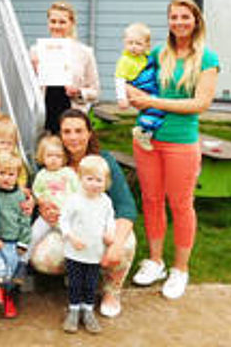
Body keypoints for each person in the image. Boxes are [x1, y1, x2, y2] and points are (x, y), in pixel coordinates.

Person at [128, 0, 219, 300]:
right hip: (147, 139)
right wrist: (130, 92)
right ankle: (156, 262)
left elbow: (200, 104)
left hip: (181, 141)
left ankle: (180, 269)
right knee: (152, 200)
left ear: (196, 21)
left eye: (185, 17)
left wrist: (154, 102)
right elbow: (136, 83)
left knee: (180, 204)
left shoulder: (207, 58)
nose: (179, 22)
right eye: (174, 17)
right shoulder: (158, 53)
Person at [29, 109, 137, 319]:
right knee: (42, 257)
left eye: (79, 131)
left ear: (89, 133)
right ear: (60, 135)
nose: (73, 137)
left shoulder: (103, 161)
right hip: (67, 231)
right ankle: (77, 274)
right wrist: (41, 206)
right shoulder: (52, 161)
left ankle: (111, 291)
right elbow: (35, 193)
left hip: (98, 229)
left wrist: (115, 245)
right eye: (67, 131)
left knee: (125, 242)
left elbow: (126, 207)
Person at [60, 155, 115, 334]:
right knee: (75, 282)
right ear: (81, 179)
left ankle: (88, 310)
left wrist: (110, 232)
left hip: (95, 252)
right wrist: (71, 237)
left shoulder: (105, 201)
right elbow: (64, 220)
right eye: (89, 179)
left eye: (99, 180)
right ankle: (74, 310)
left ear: (105, 182)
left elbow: (110, 219)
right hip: (75, 251)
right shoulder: (74, 200)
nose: (94, 184)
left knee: (91, 283)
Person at [30, 1, 100, 134]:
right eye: (53, 21)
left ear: (72, 23)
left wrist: (78, 92)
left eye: (62, 22)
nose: (57, 26)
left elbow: (95, 92)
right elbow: (26, 90)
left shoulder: (84, 52)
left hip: (72, 119)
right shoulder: (36, 51)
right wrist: (33, 70)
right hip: (44, 117)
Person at [0, 153, 32, 319]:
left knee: (10, 272)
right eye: (2, 173)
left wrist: (23, 241)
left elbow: (25, 220)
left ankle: (9, 299)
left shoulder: (20, 196)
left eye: (11, 174)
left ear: (17, 176)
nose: (6, 178)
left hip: (14, 241)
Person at [28, 133, 80, 261]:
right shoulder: (42, 175)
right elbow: (36, 191)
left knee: (71, 240)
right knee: (33, 235)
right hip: (46, 216)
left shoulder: (68, 173)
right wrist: (41, 200)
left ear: (64, 158)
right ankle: (23, 261)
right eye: (50, 155)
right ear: (42, 157)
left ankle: (75, 264)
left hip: (65, 217)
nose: (54, 159)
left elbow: (78, 192)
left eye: (58, 156)